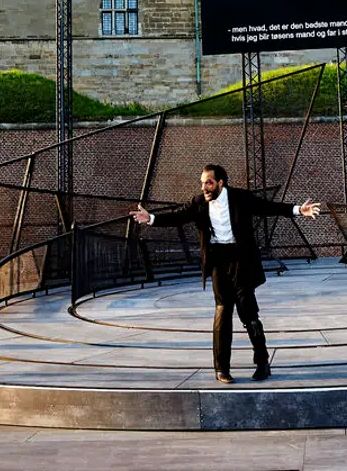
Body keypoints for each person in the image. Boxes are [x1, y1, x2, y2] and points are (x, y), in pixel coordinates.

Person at [130, 163, 321, 383]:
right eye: (202, 183)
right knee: (222, 311)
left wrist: (298, 210)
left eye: (209, 183)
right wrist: (151, 218)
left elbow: (268, 207)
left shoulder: (240, 198)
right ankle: (222, 369)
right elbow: (177, 216)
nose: (204, 187)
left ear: (221, 183)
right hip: (218, 260)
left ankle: (262, 363)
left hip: (241, 259)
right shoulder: (199, 202)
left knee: (248, 313)